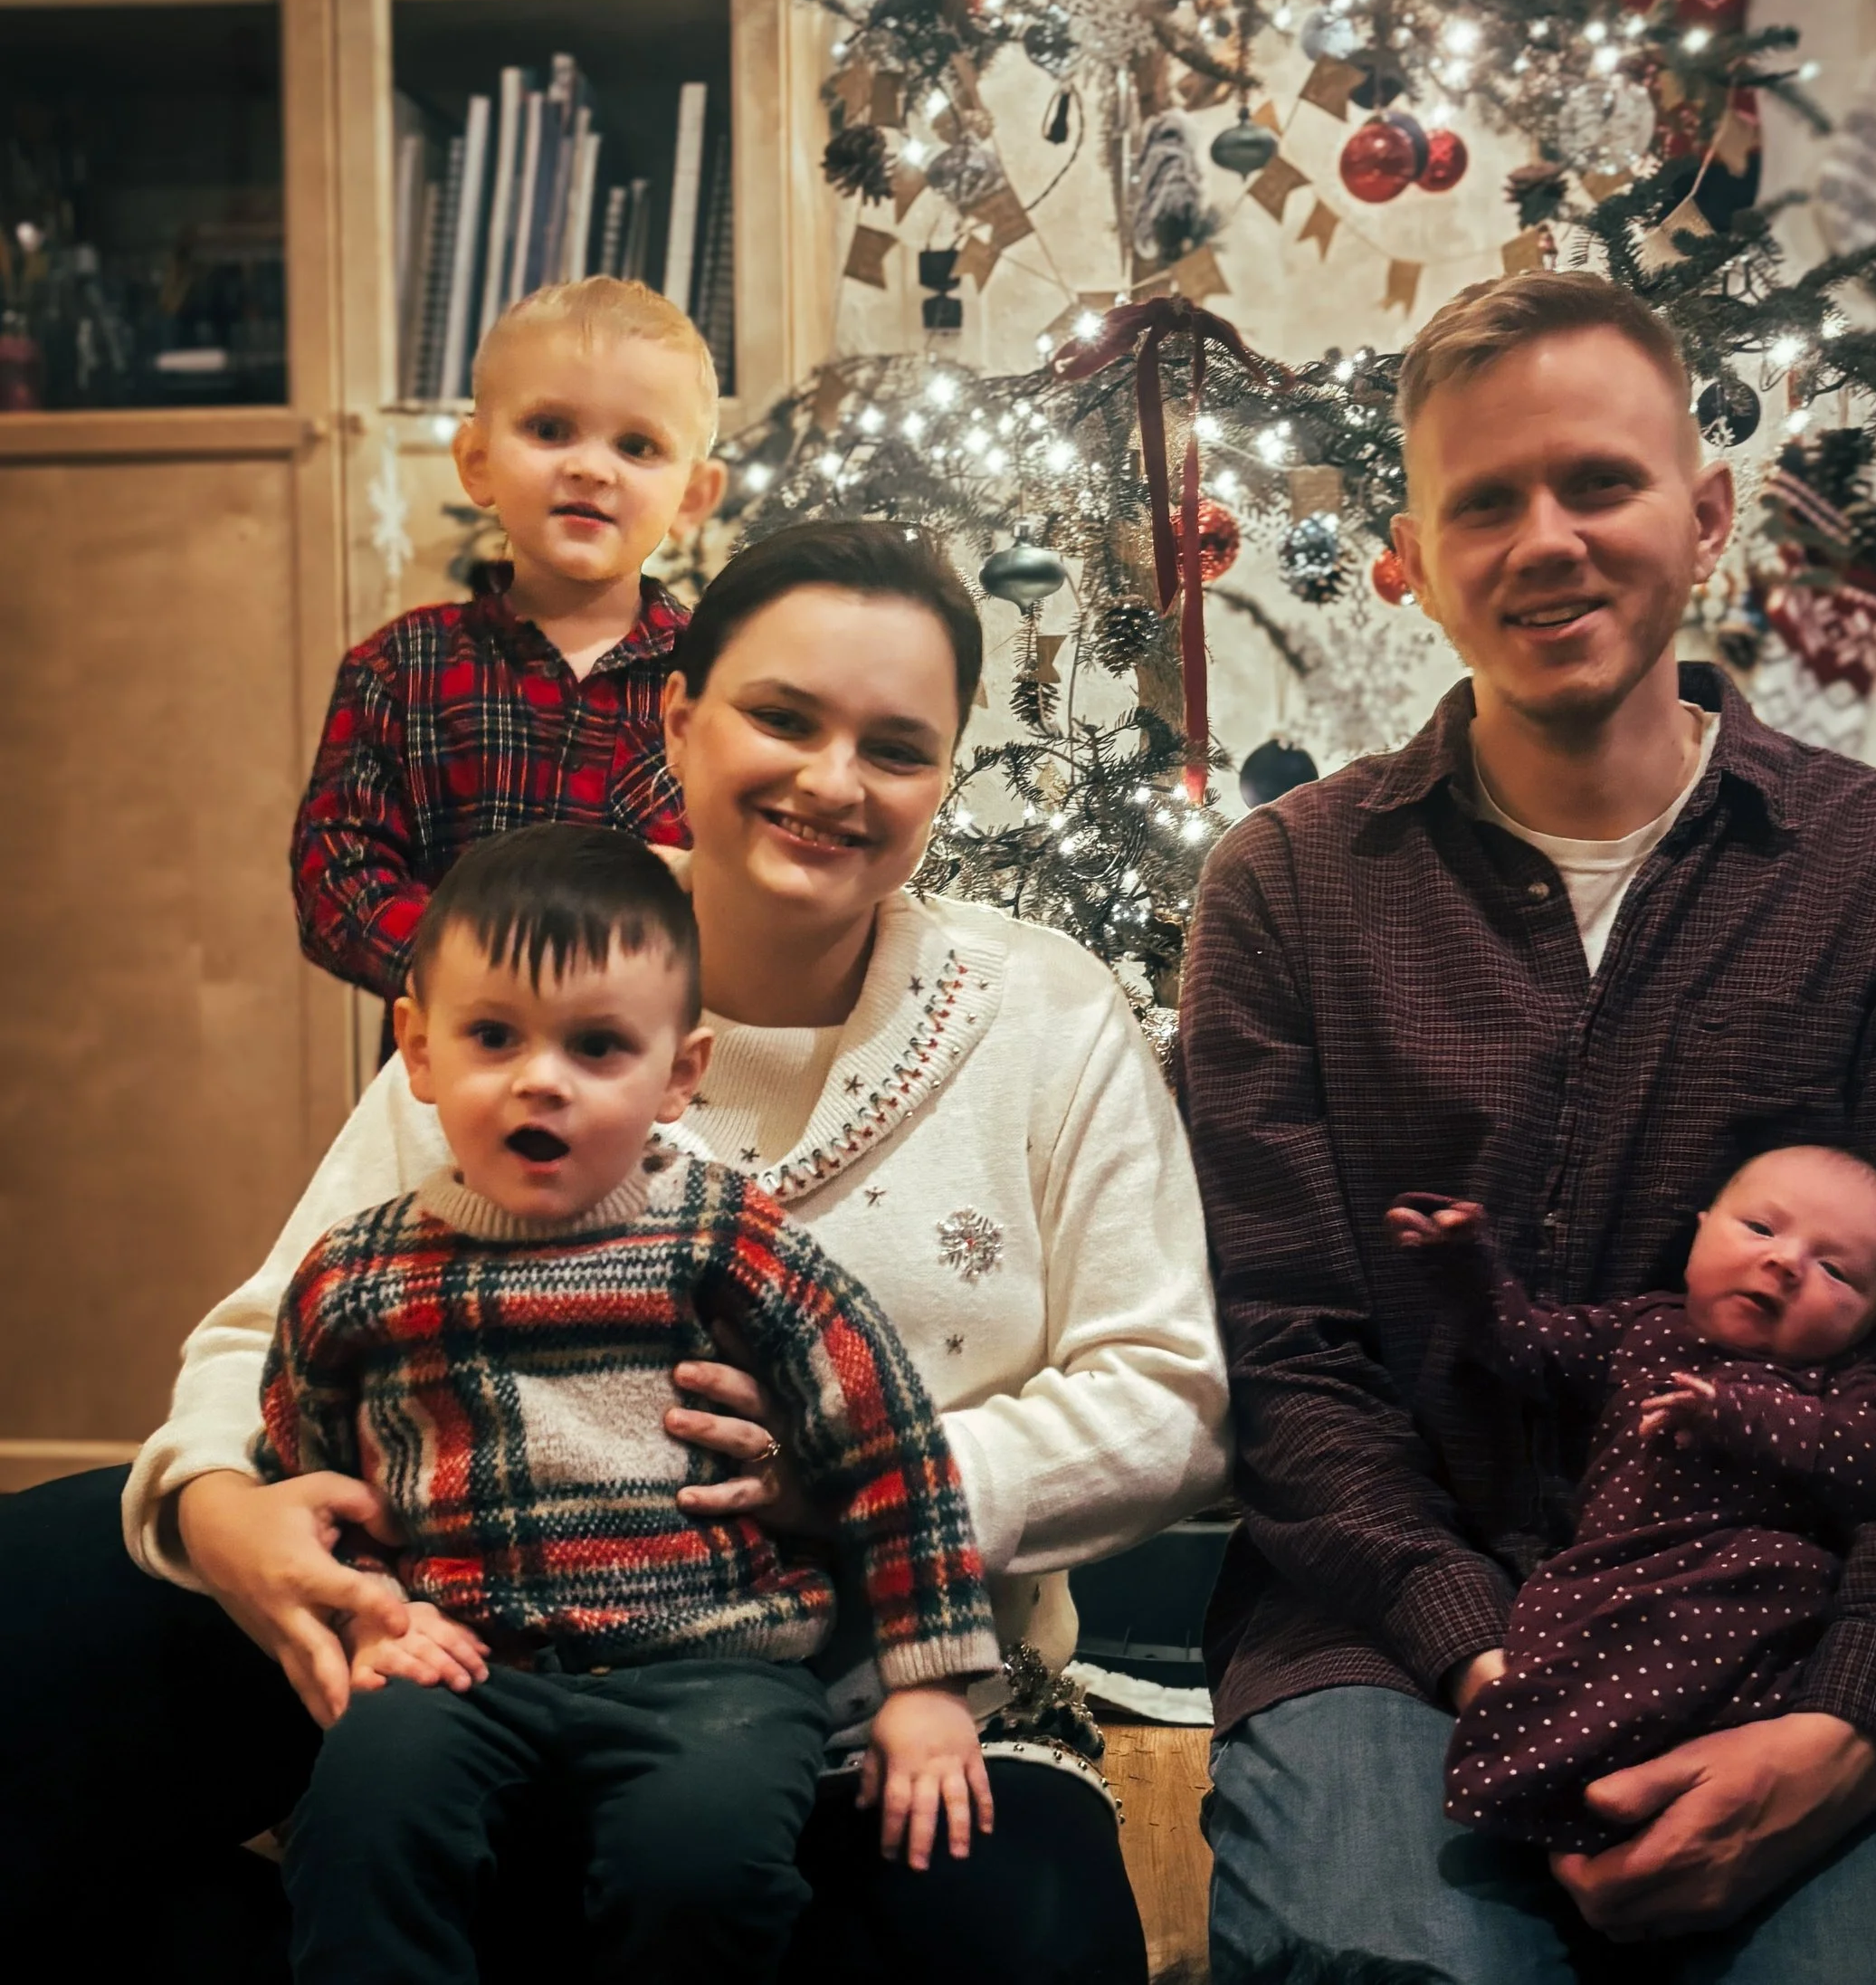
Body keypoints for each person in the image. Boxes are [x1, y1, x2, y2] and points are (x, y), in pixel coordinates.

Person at [0, 522, 1229, 1985]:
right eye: (782, 716)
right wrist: (217, 1502)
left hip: (895, 1686)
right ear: (679, 714)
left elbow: (1177, 1400)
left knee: (1014, 1940)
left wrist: (865, 1483)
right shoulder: (537, 958)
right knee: (54, 1598)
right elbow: (279, 1318)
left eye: (896, 747)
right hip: (482, 1646)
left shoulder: (1043, 1012)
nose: (831, 780)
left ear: (946, 772)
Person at [1181, 272, 1876, 1983]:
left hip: (1773, 1625)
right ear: (1415, 557)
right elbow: (1288, 1366)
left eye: (1598, 481)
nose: (1546, 540)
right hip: (1392, 1629)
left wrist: (1851, 1723)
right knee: (1393, 1967)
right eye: (1485, 501)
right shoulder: (1289, 889)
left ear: (1709, 514)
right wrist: (1484, 1655)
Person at [265, 822, 1000, 1982]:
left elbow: (886, 1442)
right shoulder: (354, 1276)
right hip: (462, 1662)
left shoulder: (724, 1238)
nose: (540, 1079)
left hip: (713, 1671)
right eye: (493, 1037)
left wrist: (931, 1682)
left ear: (679, 1074)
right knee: (362, 1826)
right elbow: (302, 1482)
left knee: (703, 1866)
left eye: (598, 1046)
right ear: (417, 1049)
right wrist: (367, 1607)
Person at [1389, 1148, 1876, 1852]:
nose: (1787, 1263)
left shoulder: (1840, 1380)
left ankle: (1630, 1794)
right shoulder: (1642, 1329)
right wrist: (1463, 1262)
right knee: (1549, 1632)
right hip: (1609, 1569)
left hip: (1746, 1581)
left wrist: (1742, 1415)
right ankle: (1554, 1793)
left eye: (1836, 1269)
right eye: (1761, 1227)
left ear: (1871, 1321)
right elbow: (1526, 1348)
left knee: (1774, 1606)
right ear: (1699, 1232)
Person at [290, 275, 724, 1003]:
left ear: (693, 497)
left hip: (661, 1089)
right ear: (477, 461)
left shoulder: (719, 680)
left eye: (637, 444)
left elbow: (744, 876)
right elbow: (336, 874)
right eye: (550, 429)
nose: (591, 466)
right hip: (450, 1091)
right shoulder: (398, 670)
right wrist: (485, 978)